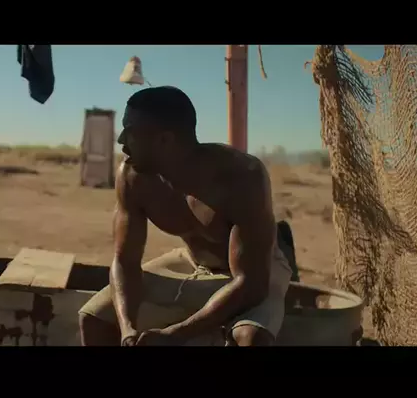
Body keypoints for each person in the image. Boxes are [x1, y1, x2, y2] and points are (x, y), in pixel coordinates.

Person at [78, 86, 294, 346]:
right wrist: (128, 329)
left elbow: (252, 285)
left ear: (165, 140)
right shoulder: (132, 177)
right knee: (94, 319)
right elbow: (125, 261)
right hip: (190, 261)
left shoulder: (241, 177)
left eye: (131, 131)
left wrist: (175, 334)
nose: (121, 139)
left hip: (256, 268)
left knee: (251, 338)